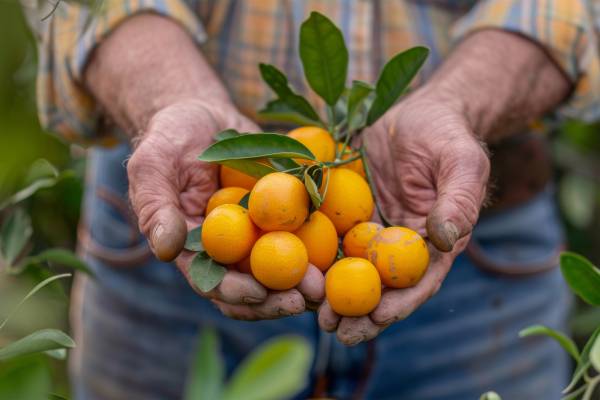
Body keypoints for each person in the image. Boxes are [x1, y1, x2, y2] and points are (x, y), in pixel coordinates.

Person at [25, 1, 600, 399]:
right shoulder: (272, 207)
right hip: (175, 224)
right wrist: (169, 97)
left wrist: (461, 104)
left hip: (480, 264)